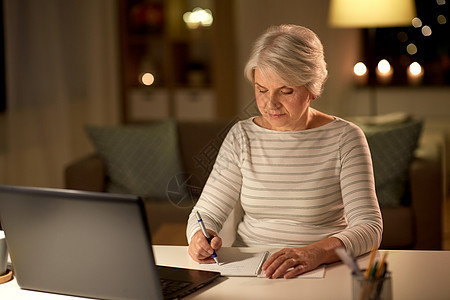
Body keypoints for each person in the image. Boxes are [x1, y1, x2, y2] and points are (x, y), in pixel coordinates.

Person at [186, 24, 383, 279]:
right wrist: (199, 237)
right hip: (252, 270)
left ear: (312, 87)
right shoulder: (241, 136)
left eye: (286, 91)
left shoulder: (345, 138)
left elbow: (369, 227)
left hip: (323, 270)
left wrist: (314, 253)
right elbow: (206, 213)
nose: (270, 104)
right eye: (261, 90)